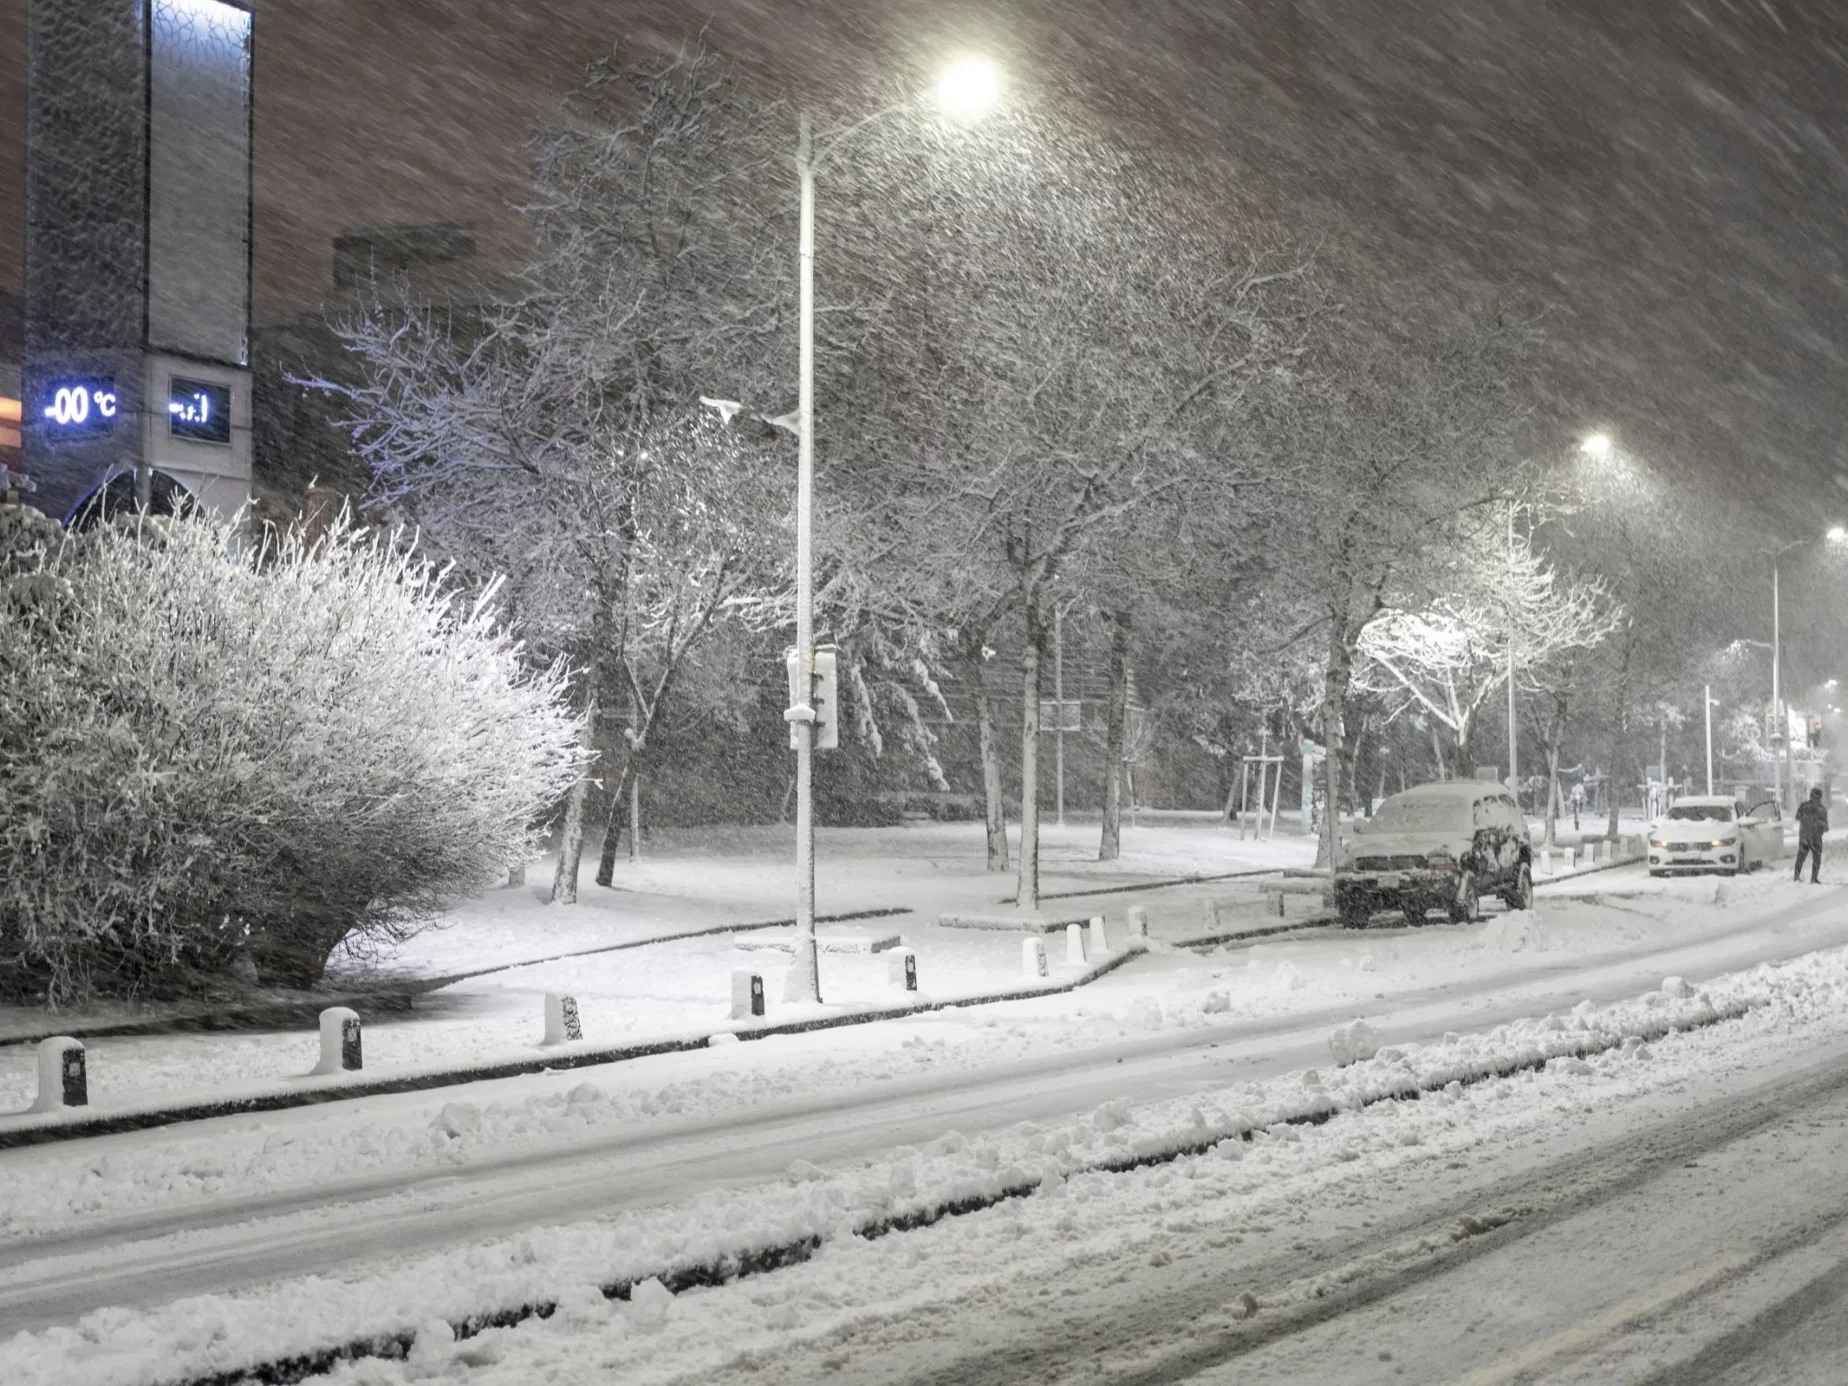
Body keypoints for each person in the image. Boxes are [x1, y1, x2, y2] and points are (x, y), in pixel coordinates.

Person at [1795, 787, 1828, 883]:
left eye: (1817, 797)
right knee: (1801, 857)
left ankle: (1814, 878)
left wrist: (1819, 824)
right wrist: (1807, 818)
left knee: (1817, 859)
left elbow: (1825, 826)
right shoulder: (1804, 806)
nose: (1815, 799)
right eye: (1814, 797)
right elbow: (1797, 817)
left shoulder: (1822, 810)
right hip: (1806, 837)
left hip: (1816, 838)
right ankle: (1796, 876)